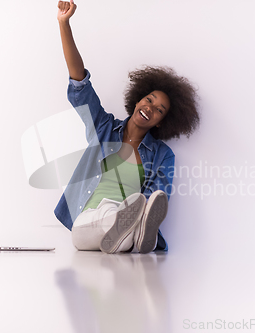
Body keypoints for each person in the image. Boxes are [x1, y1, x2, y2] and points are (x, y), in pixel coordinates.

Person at [54, 0, 200, 254]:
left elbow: (158, 197)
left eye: (159, 110)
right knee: (110, 215)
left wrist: (142, 209)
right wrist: (64, 24)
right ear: (139, 98)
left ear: (162, 121)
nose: (150, 108)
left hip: (127, 220)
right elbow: (80, 83)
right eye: (150, 100)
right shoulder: (103, 127)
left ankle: (131, 232)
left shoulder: (162, 155)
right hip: (87, 222)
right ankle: (135, 232)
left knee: (137, 206)